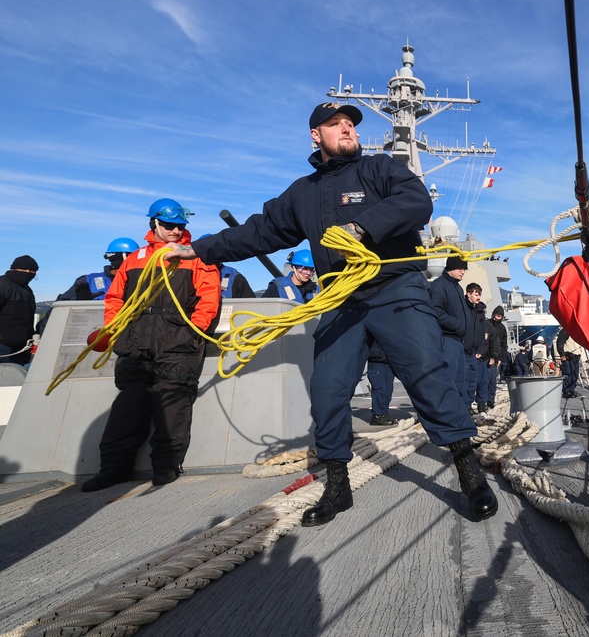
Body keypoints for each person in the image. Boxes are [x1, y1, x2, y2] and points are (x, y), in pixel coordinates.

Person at [163, 101, 497, 525]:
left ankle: (470, 475)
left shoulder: (380, 169)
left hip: (395, 287)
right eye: (335, 124)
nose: (347, 129)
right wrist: (200, 248)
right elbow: (260, 230)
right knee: (328, 390)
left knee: (427, 375)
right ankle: (338, 486)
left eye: (350, 124)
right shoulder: (303, 193)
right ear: (316, 136)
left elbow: (415, 202)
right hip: (341, 297)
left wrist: (361, 228)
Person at [81, 199, 221, 491]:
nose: (175, 231)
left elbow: (209, 298)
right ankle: (114, 468)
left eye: (180, 226)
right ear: (154, 224)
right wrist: (115, 329)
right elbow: (115, 298)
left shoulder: (195, 257)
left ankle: (166, 465)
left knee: (172, 403)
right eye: (169, 225)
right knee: (128, 406)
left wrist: (193, 331)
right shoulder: (135, 259)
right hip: (136, 343)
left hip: (178, 343)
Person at [428, 256, 470, 400]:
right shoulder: (439, 286)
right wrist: (457, 325)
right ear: (450, 268)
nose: (463, 272)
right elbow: (436, 311)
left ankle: (455, 415)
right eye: (460, 268)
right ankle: (444, 415)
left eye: (464, 269)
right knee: (448, 381)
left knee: (459, 382)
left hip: (458, 341)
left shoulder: (458, 288)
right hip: (446, 340)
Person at [57, 238, 139, 301]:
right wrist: (81, 302)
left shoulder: (143, 281)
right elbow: (61, 306)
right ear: (124, 257)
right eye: (136, 257)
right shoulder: (88, 282)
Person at [0, 255, 38, 366]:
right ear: (13, 269)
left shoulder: (27, 290)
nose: (28, 272)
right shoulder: (3, 286)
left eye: (32, 271)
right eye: (24, 269)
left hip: (23, 347)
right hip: (3, 346)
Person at [464, 282, 489, 414]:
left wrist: (480, 349)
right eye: (476, 294)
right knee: (463, 379)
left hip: (474, 352)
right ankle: (462, 406)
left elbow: (480, 333)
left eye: (479, 294)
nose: (478, 297)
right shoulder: (463, 307)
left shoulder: (480, 311)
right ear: (469, 294)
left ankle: (468, 405)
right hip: (462, 350)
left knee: (473, 380)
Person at [366, 336, 396, 426]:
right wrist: (377, 353)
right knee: (379, 389)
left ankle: (384, 413)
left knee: (388, 389)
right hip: (376, 361)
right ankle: (377, 415)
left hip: (388, 360)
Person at [485, 306, 508, 408]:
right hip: (485, 355)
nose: (498, 316)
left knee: (492, 381)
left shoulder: (502, 328)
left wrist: (500, 358)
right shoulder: (487, 324)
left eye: (500, 315)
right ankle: (482, 401)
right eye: (497, 314)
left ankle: (490, 400)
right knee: (482, 380)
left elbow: (504, 344)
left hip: (496, 357)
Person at [556, 327, 582, 398]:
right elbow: (559, 343)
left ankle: (572, 390)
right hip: (568, 356)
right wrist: (562, 354)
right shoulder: (565, 331)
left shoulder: (578, 332)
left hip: (576, 356)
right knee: (567, 374)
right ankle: (566, 391)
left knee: (575, 375)